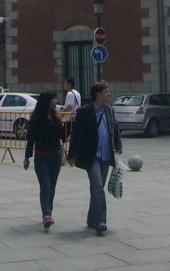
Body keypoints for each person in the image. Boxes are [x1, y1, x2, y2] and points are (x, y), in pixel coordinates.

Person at [67, 80, 122, 236]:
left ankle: (91, 219)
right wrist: (72, 155)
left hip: (106, 155)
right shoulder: (84, 112)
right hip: (92, 156)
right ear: (98, 94)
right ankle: (100, 221)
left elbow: (115, 129)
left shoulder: (109, 111)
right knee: (97, 186)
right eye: (106, 92)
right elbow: (76, 134)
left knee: (97, 189)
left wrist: (118, 146)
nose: (109, 94)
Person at [23, 91, 66, 229]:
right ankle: (46, 215)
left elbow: (62, 137)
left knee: (52, 187)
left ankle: (49, 213)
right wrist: (27, 157)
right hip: (41, 155)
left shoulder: (56, 117)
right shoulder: (36, 119)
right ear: (46, 102)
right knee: (45, 186)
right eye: (53, 99)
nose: (55, 102)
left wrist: (69, 126)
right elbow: (31, 139)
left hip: (56, 155)